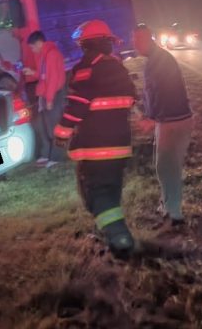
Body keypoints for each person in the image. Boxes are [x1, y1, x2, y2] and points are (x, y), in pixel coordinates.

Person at [54, 20, 137, 259]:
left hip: (94, 147)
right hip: (120, 145)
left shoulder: (86, 68)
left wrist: (61, 132)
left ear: (86, 45)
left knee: (95, 196)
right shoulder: (118, 67)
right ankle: (110, 236)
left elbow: (77, 104)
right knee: (111, 193)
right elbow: (131, 98)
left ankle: (120, 239)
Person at [132, 25, 194, 228]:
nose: (135, 45)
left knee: (167, 168)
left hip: (172, 121)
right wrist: (146, 111)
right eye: (134, 40)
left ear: (148, 39)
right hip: (173, 119)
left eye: (138, 40)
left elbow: (160, 93)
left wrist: (151, 118)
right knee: (167, 167)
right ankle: (168, 205)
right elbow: (153, 94)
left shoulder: (157, 61)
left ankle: (174, 214)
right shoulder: (158, 58)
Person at [25, 30, 67, 166]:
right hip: (46, 94)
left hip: (53, 95)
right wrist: (32, 72)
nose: (32, 50)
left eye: (32, 47)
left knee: (54, 127)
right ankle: (48, 154)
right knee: (45, 127)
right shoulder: (45, 54)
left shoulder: (51, 54)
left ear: (38, 43)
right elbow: (44, 75)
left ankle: (57, 157)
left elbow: (53, 78)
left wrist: (49, 99)